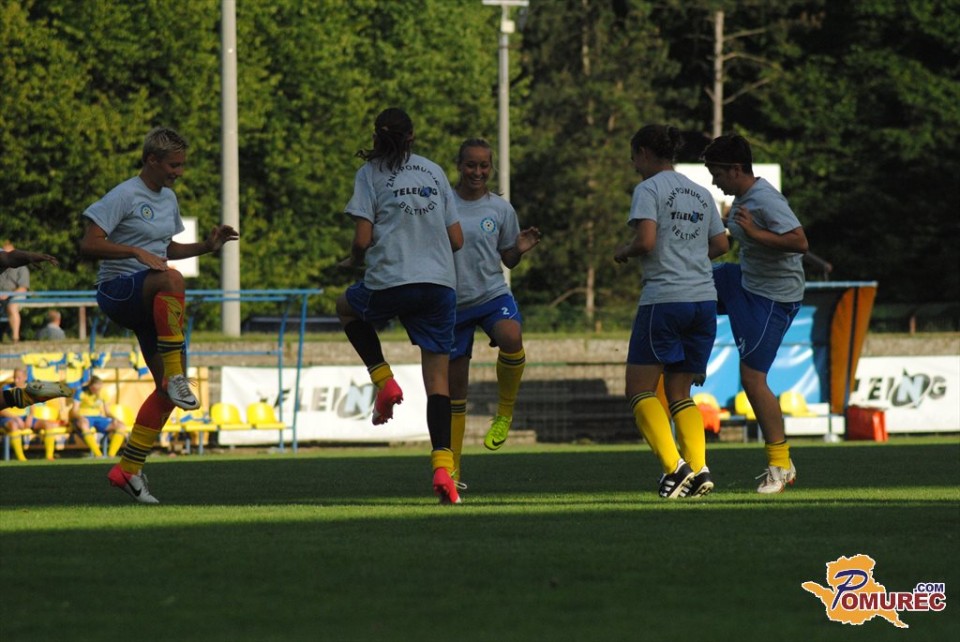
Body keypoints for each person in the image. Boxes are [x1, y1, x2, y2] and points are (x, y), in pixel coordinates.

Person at [80, 126, 239, 503]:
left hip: (150, 294)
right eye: (173, 165)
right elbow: (88, 243)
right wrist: (135, 252)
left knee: (168, 393)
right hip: (118, 291)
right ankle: (176, 374)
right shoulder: (124, 194)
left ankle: (127, 470)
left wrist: (207, 246)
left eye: (181, 165)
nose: (179, 172)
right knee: (172, 279)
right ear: (151, 159)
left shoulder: (168, 198)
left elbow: (166, 248)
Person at [336, 107, 464, 504]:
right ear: (412, 137)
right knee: (438, 382)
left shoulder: (369, 173)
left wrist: (353, 260)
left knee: (346, 307)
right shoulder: (434, 171)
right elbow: (457, 239)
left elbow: (362, 239)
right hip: (440, 285)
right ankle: (443, 469)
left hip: (392, 279)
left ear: (376, 137)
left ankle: (384, 380)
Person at [614, 125, 729, 499]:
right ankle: (699, 468)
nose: (634, 165)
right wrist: (690, 258)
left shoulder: (649, 189)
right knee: (680, 391)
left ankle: (675, 468)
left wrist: (624, 251)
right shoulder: (700, 192)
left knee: (638, 389)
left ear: (645, 153)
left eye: (634, 157)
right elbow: (721, 244)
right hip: (703, 300)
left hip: (665, 299)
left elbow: (646, 241)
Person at [701, 134, 809, 494]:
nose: (714, 181)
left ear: (735, 169)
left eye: (717, 173)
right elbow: (727, 242)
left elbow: (799, 241)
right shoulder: (743, 199)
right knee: (689, 289)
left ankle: (780, 464)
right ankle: (692, 364)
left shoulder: (765, 199)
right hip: (746, 281)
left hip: (771, 299)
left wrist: (755, 232)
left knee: (752, 380)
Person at [447, 138, 541, 485]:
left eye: (484, 165)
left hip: (491, 293)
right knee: (456, 392)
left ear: (491, 168)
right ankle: (453, 470)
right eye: (471, 164)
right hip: (453, 303)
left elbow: (508, 259)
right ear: (459, 165)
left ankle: (504, 413)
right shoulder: (444, 203)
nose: (477, 171)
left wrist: (520, 248)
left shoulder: (500, 209)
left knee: (511, 335)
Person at [1, 369, 72, 461]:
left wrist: (30, 417)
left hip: (24, 418)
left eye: (18, 378)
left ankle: (49, 457)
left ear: (25, 377)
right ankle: (21, 459)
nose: (16, 380)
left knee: (48, 425)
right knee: (13, 425)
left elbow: (32, 405)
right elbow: (1, 410)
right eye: (14, 378)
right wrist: (16, 418)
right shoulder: (5, 388)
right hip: (8, 418)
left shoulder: (29, 388)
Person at [70, 375, 128, 457]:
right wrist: (80, 417)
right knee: (83, 424)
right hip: (84, 417)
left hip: (98, 417)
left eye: (99, 389)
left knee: (121, 425)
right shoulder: (80, 391)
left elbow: (107, 412)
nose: (98, 391)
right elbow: (74, 411)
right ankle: (98, 455)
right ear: (90, 386)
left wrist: (114, 418)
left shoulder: (103, 392)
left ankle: (111, 455)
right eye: (95, 389)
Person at [0, 240, 31, 343]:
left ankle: (15, 338)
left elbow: (23, 288)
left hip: (16, 295)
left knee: (12, 307)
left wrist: (8, 294)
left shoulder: (22, 268)